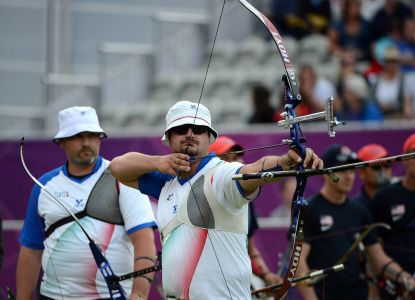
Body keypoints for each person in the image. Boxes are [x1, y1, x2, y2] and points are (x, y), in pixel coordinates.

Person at [109, 100, 323, 299]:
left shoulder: (221, 175)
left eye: (199, 130)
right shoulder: (165, 182)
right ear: (169, 138)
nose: (191, 134)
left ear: (209, 137)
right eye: (182, 130)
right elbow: (117, 167)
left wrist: (286, 161)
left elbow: (254, 170)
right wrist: (158, 162)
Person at [16, 106, 157, 300]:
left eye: (92, 135)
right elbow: (31, 250)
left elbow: (144, 240)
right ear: (61, 142)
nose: (86, 142)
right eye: (77, 136)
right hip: (53, 296)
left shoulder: (124, 178)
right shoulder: (44, 185)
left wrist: (139, 295)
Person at [296, 144, 415, 300]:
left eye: (352, 170)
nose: (349, 176)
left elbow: (378, 258)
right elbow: (299, 263)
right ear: (325, 173)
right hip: (326, 295)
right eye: (342, 170)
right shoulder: (309, 210)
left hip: (358, 294)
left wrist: (403, 277)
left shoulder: (360, 211)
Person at [208, 136, 282, 287]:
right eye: (229, 158)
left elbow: (250, 250)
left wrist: (266, 275)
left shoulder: (245, 202)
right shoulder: (204, 199)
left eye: (238, 156)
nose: (239, 161)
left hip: (236, 280)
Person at [371, 133, 415, 298]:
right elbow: (375, 250)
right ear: (405, 159)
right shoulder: (384, 198)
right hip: (396, 286)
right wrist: (398, 278)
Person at [353, 143, 393, 210]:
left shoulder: (401, 198)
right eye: (376, 166)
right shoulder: (355, 207)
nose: (383, 170)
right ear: (362, 172)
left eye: (387, 164)